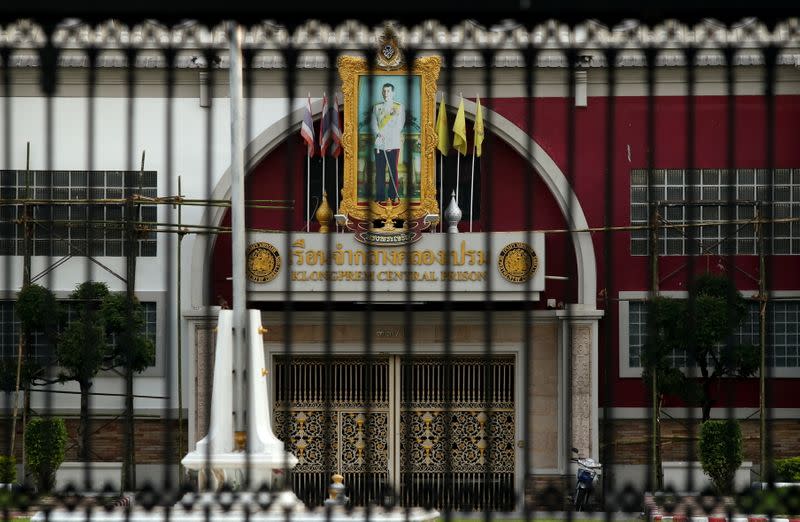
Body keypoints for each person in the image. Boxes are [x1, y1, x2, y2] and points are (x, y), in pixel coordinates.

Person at [370, 82, 405, 202]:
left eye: (388, 91)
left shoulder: (398, 107)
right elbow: (373, 123)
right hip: (379, 143)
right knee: (379, 171)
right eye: (384, 91)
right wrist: (378, 133)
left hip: (393, 143)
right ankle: (379, 197)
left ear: (393, 92)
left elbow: (399, 126)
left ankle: (393, 195)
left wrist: (389, 142)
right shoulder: (377, 107)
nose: (386, 93)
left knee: (392, 170)